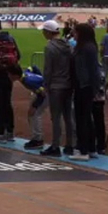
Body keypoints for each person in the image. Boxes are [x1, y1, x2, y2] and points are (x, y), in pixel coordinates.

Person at [39, 20, 75, 157]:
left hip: (55, 85)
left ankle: (55, 145)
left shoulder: (50, 47)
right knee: (68, 116)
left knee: (56, 117)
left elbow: (48, 69)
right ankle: (70, 144)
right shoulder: (68, 45)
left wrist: (45, 85)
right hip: (68, 84)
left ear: (48, 32)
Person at [71, 23, 101, 161]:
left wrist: (95, 88)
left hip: (85, 86)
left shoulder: (86, 48)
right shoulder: (87, 47)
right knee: (86, 118)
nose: (74, 35)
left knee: (82, 118)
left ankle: (83, 149)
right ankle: (91, 147)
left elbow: (93, 70)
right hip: (84, 86)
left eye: (75, 32)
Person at [8, 64, 47, 149]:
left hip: (47, 95)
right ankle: (35, 137)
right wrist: (40, 78)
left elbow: (43, 93)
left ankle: (38, 140)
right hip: (42, 93)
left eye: (9, 74)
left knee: (35, 114)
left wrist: (35, 106)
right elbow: (34, 67)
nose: (8, 76)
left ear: (15, 75)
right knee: (31, 114)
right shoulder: (25, 75)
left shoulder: (28, 81)